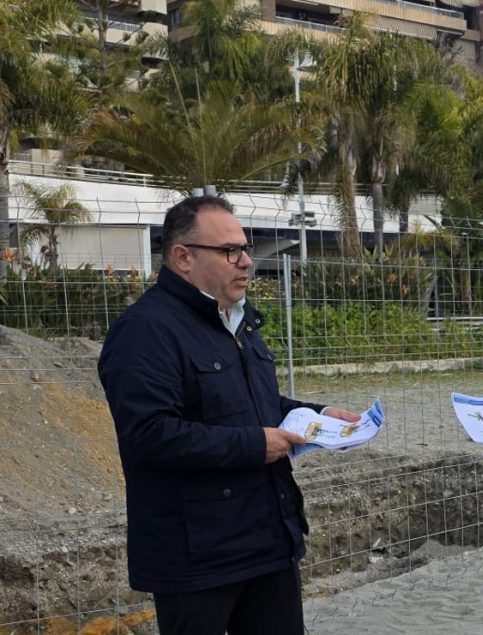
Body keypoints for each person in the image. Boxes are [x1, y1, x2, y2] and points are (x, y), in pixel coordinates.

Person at [98, 195, 359, 635]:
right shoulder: (146, 331)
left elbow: (255, 405)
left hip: (267, 543)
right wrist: (257, 445)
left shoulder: (238, 322)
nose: (245, 262)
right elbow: (149, 434)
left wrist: (318, 416)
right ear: (183, 257)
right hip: (198, 559)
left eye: (245, 249)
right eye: (229, 251)